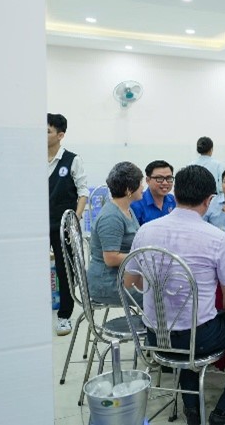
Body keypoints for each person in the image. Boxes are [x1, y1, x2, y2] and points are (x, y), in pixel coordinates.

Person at [125, 165, 225, 425]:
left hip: (155, 334)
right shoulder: (217, 238)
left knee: (189, 323)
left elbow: (130, 282)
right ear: (209, 199)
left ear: (175, 193)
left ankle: (193, 410)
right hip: (198, 337)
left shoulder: (146, 231)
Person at [48, 113, 89, 336]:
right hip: (35, 226)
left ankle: (64, 316)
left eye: (47, 131)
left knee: (65, 272)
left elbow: (83, 192)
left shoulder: (72, 160)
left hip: (63, 224)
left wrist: (75, 218)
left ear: (60, 135)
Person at [87, 162, 144, 306]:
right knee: (159, 295)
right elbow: (111, 259)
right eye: (140, 184)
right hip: (108, 284)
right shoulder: (111, 217)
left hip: (124, 275)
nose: (143, 188)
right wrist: (145, 256)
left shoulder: (126, 209)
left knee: (163, 286)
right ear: (129, 190)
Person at [130, 160, 177, 226]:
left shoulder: (174, 201)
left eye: (169, 178)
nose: (165, 183)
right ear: (148, 180)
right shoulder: (136, 204)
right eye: (159, 178)